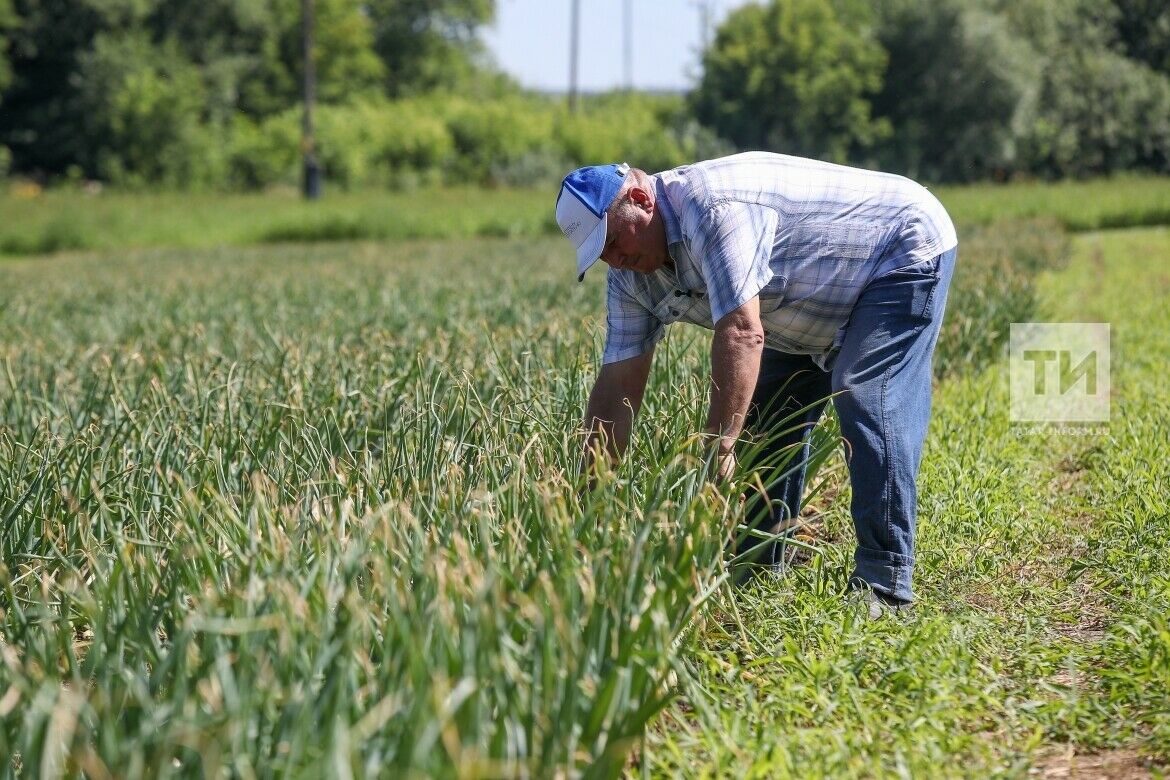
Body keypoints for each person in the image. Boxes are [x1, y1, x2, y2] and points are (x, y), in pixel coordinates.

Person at [555, 152, 957, 613]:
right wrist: (587, 499)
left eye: (612, 240)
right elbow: (617, 386)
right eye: (600, 254)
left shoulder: (712, 209)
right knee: (765, 418)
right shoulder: (630, 276)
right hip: (802, 296)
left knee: (863, 391)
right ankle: (758, 569)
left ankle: (884, 582)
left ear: (642, 200)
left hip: (898, 247)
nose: (614, 259)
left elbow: (744, 332)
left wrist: (719, 447)